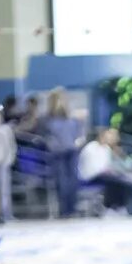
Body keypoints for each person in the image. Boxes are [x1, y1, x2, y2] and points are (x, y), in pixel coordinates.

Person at [41, 89, 84, 217]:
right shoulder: (47, 119)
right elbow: (46, 136)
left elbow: (79, 133)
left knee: (73, 181)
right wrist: (52, 145)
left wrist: (78, 141)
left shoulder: (72, 118)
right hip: (57, 154)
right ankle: (64, 210)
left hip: (71, 151)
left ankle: (72, 209)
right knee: (62, 182)